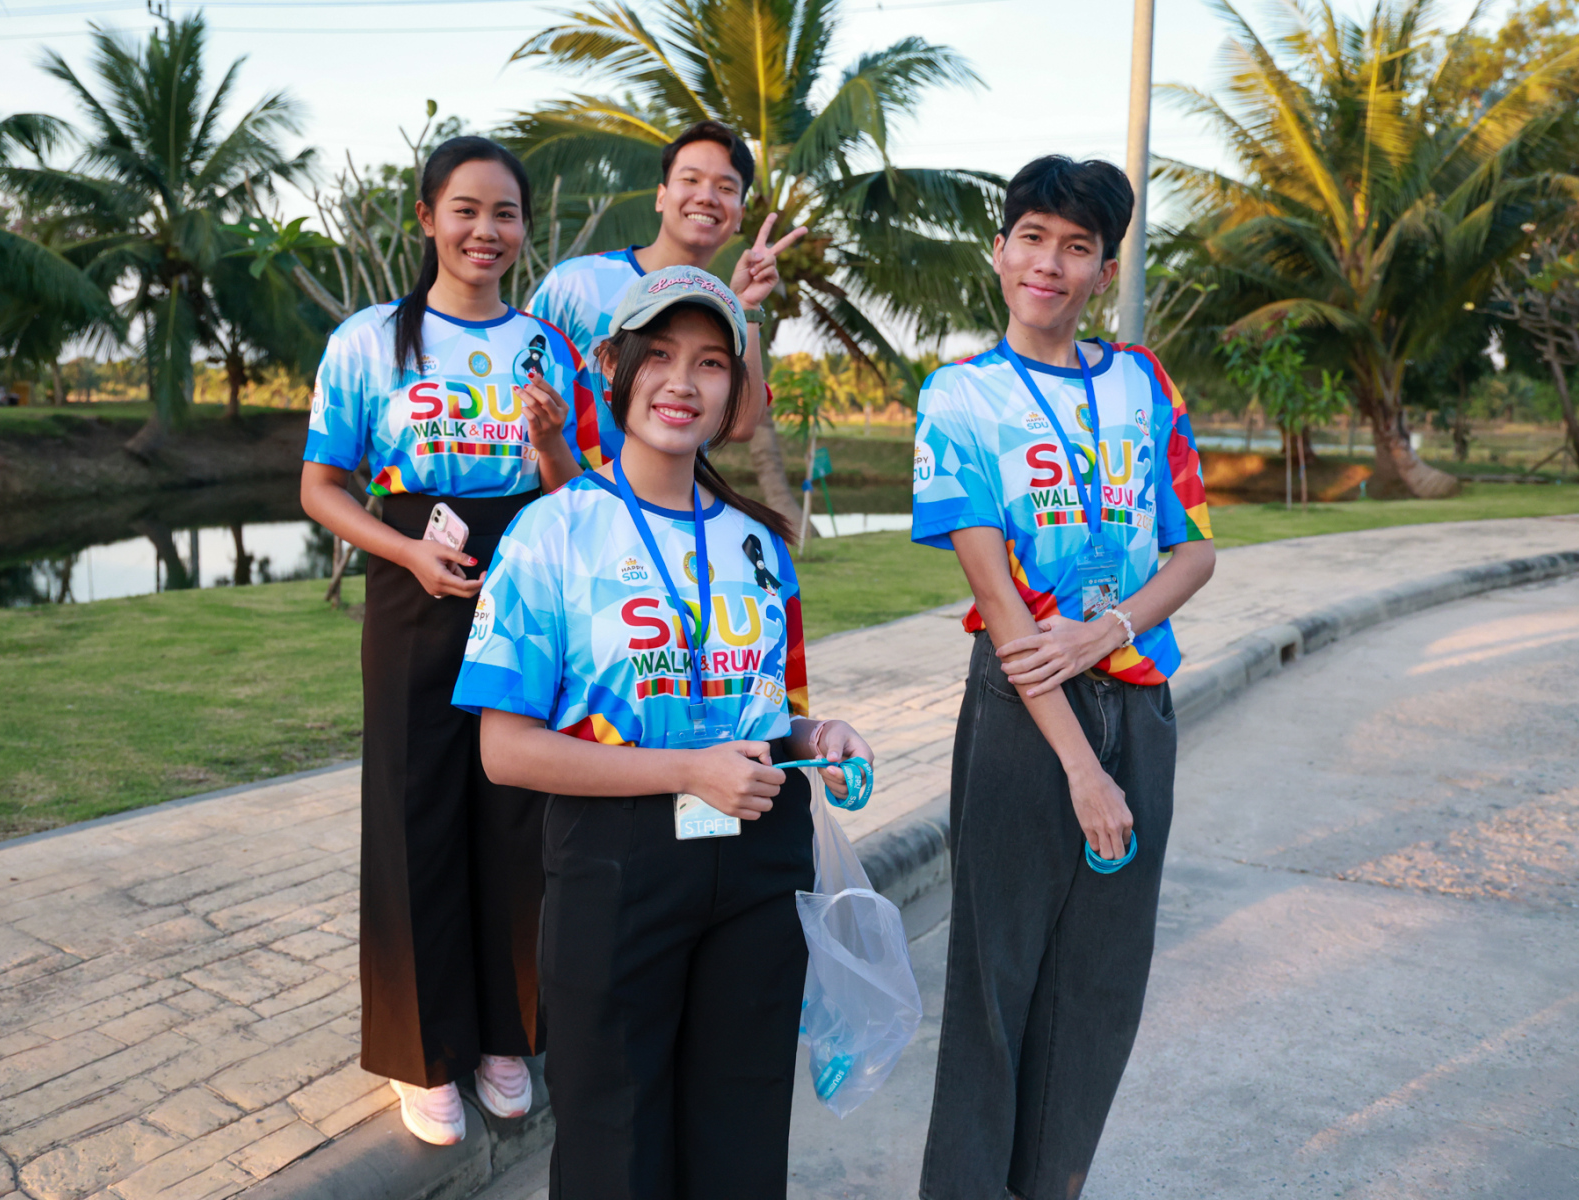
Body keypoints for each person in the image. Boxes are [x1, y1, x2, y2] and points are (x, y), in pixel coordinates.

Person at [454, 266, 874, 1200]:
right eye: (660, 356)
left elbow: (772, 714)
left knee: (741, 1140)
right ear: (615, 367)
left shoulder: (760, 542)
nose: (683, 382)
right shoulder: (550, 534)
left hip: (759, 860)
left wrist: (821, 735)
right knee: (615, 1148)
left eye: (711, 362)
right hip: (617, 863)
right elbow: (504, 750)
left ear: (735, 389)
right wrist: (686, 771)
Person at [911, 156, 1217, 1200]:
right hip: (1022, 706)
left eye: (1076, 246)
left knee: (1100, 985)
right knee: (993, 986)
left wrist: (1109, 632)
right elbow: (1000, 601)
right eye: (1032, 238)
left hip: (1138, 702)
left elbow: (1194, 552)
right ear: (1000, 252)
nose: (1050, 263)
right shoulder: (961, 397)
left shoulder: (1143, 383)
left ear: (1103, 269)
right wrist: (1084, 770)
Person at [299, 135, 594, 1147]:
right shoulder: (368, 341)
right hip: (413, 575)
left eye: (505, 213)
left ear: (525, 229)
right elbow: (321, 487)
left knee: (517, 809)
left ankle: (507, 1036)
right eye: (465, 209)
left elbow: (576, 495)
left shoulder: (545, 347)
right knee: (415, 803)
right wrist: (406, 553)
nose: (485, 231)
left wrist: (551, 445)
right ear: (426, 218)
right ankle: (421, 1053)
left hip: (525, 578)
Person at [527, 120, 805, 462]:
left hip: (673, 496)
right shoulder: (575, 282)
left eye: (725, 188)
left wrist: (745, 306)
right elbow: (517, 386)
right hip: (570, 491)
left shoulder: (721, 309)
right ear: (661, 196)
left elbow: (739, 426)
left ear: (739, 216)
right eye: (691, 180)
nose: (706, 197)